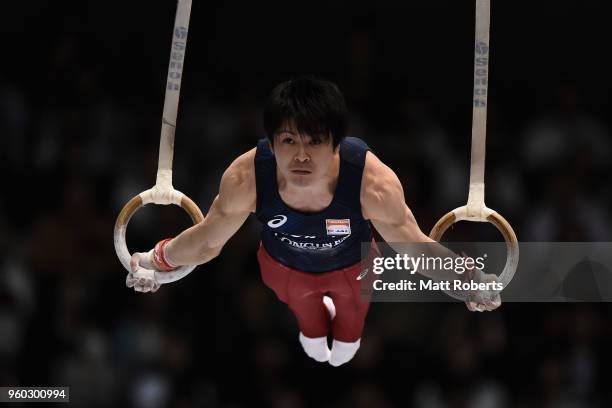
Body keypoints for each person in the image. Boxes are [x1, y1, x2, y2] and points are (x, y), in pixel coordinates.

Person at [128, 76, 500, 366]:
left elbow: (413, 247)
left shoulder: (372, 185)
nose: (301, 155)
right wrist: (156, 259)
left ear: (337, 143)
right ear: (271, 143)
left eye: (315, 141)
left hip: (354, 269)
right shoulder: (246, 179)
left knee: (348, 337)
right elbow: (208, 242)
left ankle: (346, 335)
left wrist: (467, 278)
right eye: (289, 141)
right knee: (308, 322)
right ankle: (310, 329)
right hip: (283, 269)